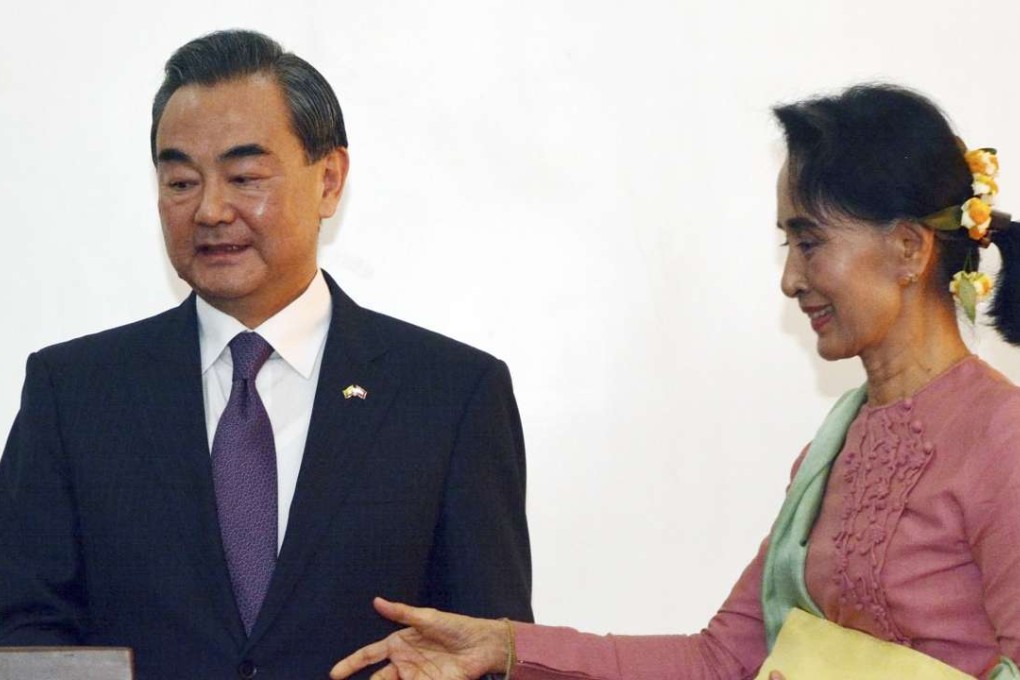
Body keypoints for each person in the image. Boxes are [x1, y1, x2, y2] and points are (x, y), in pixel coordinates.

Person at [329, 84, 1020, 680]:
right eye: (787, 245)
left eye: (810, 243)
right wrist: (503, 646)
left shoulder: (1002, 436)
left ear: (907, 249)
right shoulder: (834, 447)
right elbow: (722, 661)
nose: (790, 279)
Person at [0, 29, 533, 679]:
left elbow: (488, 647)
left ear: (329, 180)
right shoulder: (76, 391)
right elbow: (24, 627)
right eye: (180, 181)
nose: (210, 210)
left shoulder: (450, 395)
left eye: (244, 176)